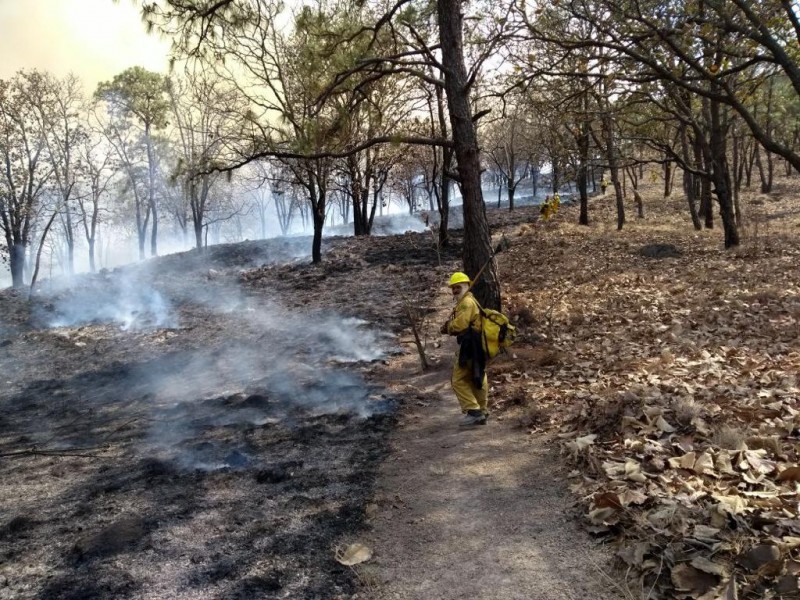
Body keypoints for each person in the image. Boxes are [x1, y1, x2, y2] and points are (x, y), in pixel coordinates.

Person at [440, 272, 488, 426]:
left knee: (458, 379)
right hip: (476, 345)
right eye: (453, 288)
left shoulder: (467, 303)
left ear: (467, 285)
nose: (455, 290)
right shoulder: (467, 301)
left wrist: (447, 327)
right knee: (477, 377)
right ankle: (482, 411)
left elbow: (460, 325)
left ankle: (473, 411)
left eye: (457, 287)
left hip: (470, 345)